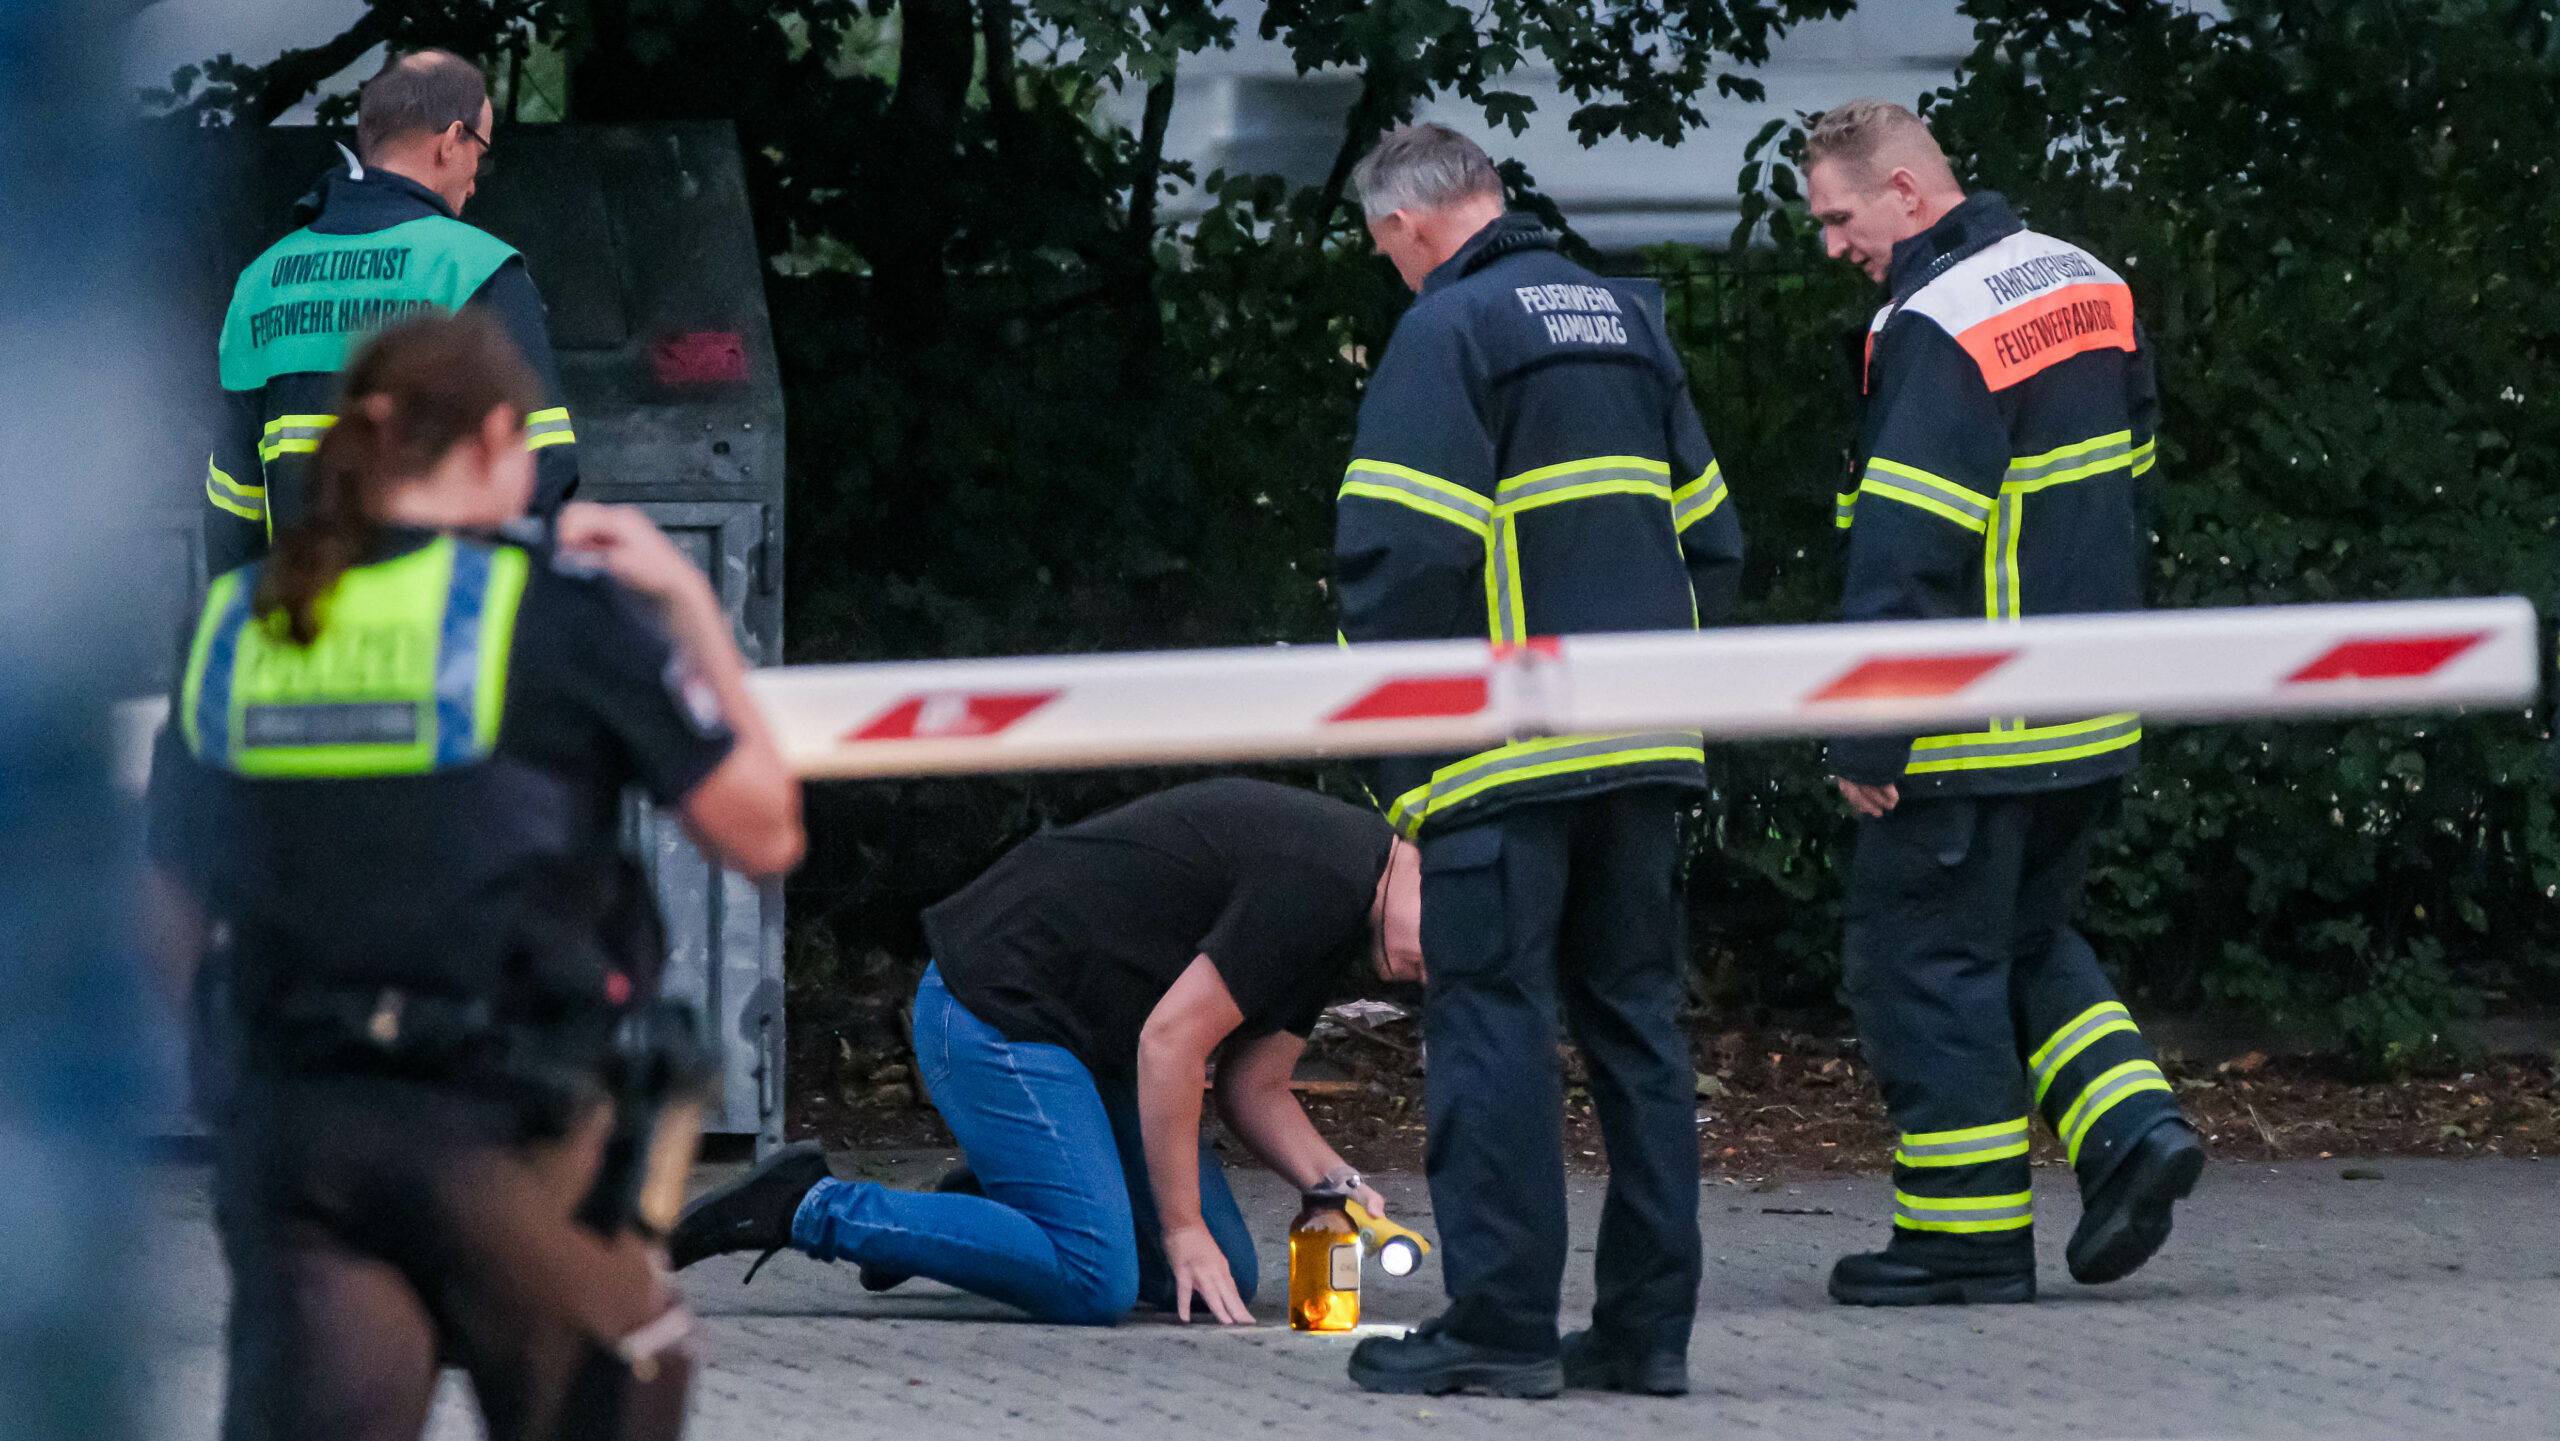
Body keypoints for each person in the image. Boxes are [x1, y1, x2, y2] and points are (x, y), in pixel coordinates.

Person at [147, 310, 802, 1440]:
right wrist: (691, 607)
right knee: (634, 1371)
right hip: (504, 1123)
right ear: (500, 436)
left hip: (299, 1132)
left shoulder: (240, 622)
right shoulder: (553, 611)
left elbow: (162, 924)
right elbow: (761, 831)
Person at [1329, 123, 1744, 1399]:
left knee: (1492, 1024)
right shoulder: (1629, 322)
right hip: (1648, 743)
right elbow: (1714, 542)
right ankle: (1643, 1333)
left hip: (1504, 753)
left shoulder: (1448, 330)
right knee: (1635, 1030)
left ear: (1405, 225)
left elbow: (1400, 555)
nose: (1389, 265)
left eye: (1380, 245)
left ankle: (1502, 1327)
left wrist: (1402, 772)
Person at [1802, 99, 2204, 1306]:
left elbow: (1910, 546)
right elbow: (2125, 470)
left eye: (1839, 216)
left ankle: (1962, 1238)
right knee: (2022, 939)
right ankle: (2134, 1129)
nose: (1832, 247)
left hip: (1970, 726)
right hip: (2087, 707)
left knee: (1918, 962)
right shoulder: (2087, 281)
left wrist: (1871, 726)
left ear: (1908, 193)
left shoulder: (1937, 324)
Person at [668, 778, 1424, 1327]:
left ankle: (1005, 1199)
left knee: (1218, 1272)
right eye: (1445, 939)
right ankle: (810, 1206)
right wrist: (1183, 1224)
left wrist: (1338, 1183)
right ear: (1426, 864)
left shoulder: (1343, 914)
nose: (1436, 968)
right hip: (994, 1009)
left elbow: (1254, 1088)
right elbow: (1170, 1044)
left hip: (1091, 1049)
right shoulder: (1321, 877)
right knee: (1095, 1278)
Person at [204, 48, 582, 578]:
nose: (475, 181)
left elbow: (233, 503)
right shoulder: (474, 268)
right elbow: (543, 466)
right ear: (452, 140)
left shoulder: (260, 283)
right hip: (440, 635)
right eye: (481, 153)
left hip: (302, 623)